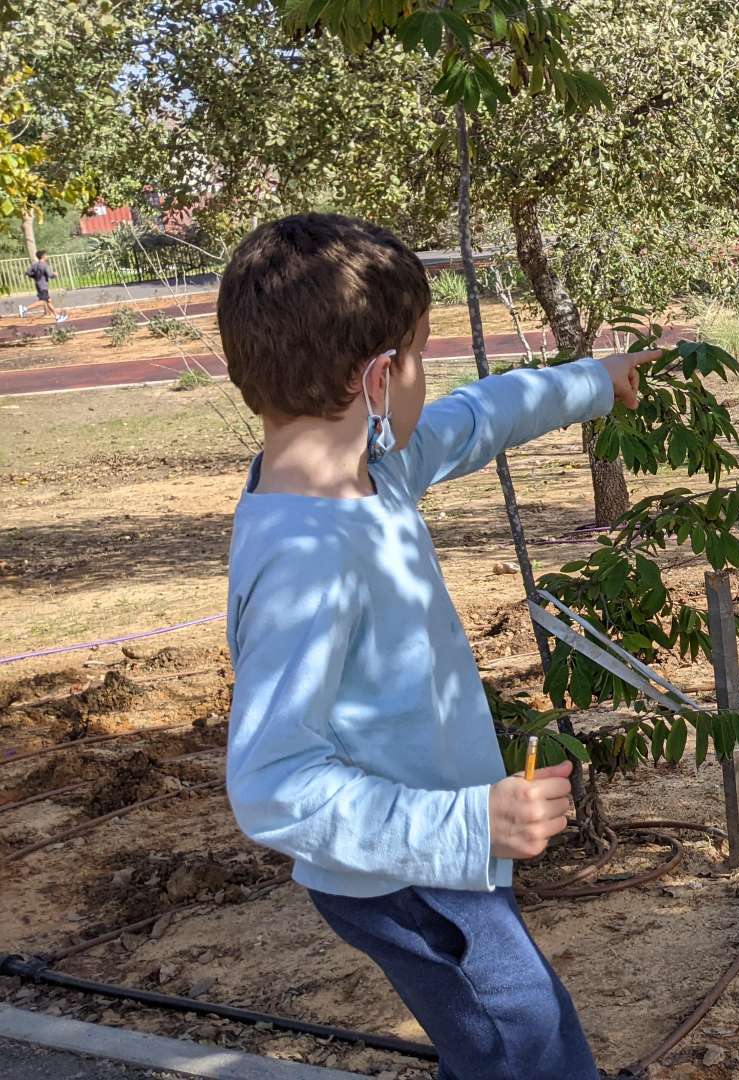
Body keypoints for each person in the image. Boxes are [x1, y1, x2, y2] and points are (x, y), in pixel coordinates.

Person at [218, 213, 653, 1080]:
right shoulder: (309, 557)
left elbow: (477, 416)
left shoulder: (370, 466)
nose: (431, 379)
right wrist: (464, 822)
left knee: (492, 1049)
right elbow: (270, 785)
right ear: (380, 379)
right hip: (408, 880)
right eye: (423, 354)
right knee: (531, 1048)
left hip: (429, 857)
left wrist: (594, 382)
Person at [22, 251, 66, 322]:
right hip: (43, 286)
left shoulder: (35, 264)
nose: (47, 256)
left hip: (38, 285)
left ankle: (57, 317)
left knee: (48, 301)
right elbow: (50, 275)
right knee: (42, 301)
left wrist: (35, 276)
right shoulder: (44, 265)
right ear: (43, 256)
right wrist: (55, 274)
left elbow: (28, 273)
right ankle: (24, 308)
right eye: (46, 255)